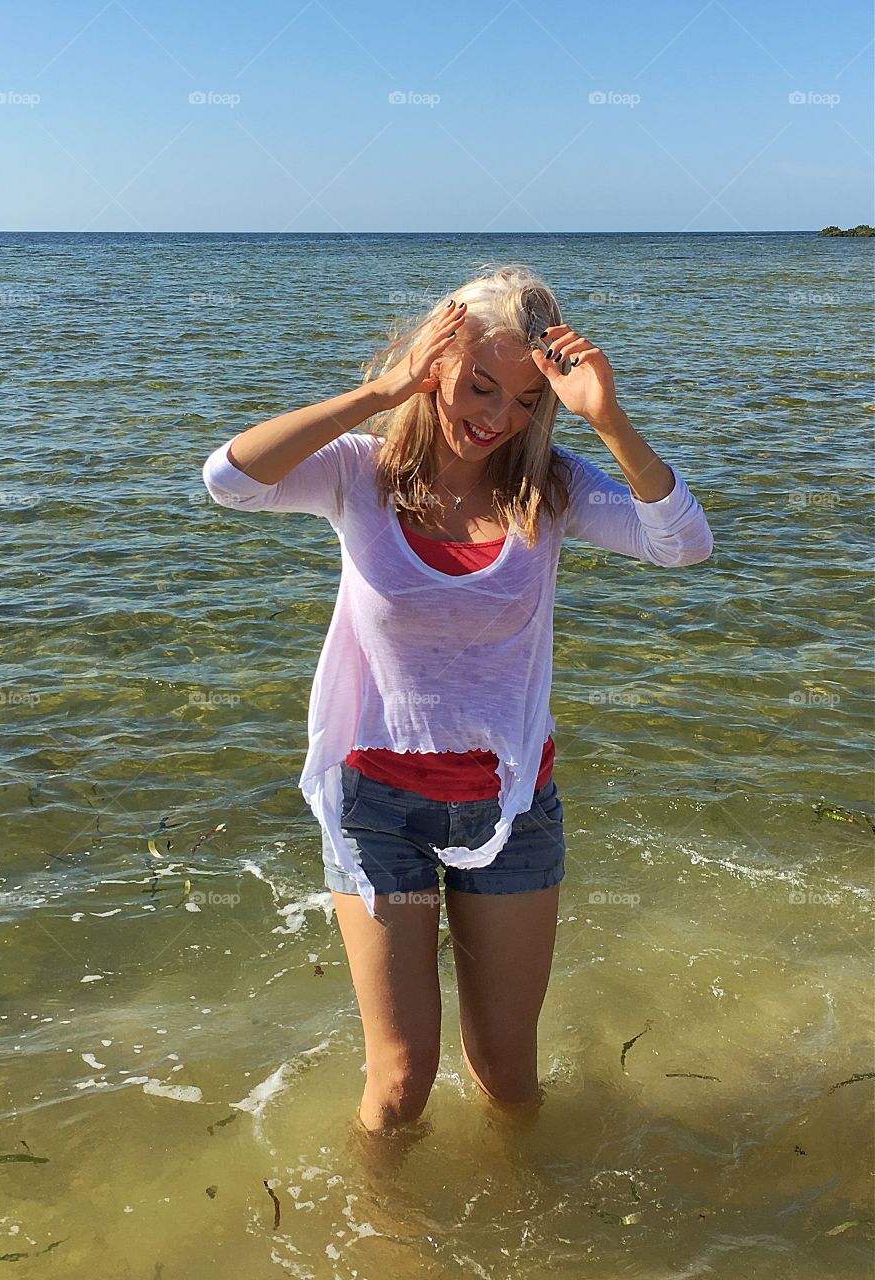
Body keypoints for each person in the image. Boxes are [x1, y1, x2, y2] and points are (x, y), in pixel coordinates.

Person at [201, 263, 714, 1136]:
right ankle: (382, 1218)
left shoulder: (550, 485)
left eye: (525, 399)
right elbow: (229, 478)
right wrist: (379, 394)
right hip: (378, 805)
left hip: (510, 807)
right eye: (480, 385)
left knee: (508, 1075)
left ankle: (523, 1209)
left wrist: (608, 419)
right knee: (401, 1082)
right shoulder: (358, 473)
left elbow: (683, 544)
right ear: (436, 361)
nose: (498, 417)